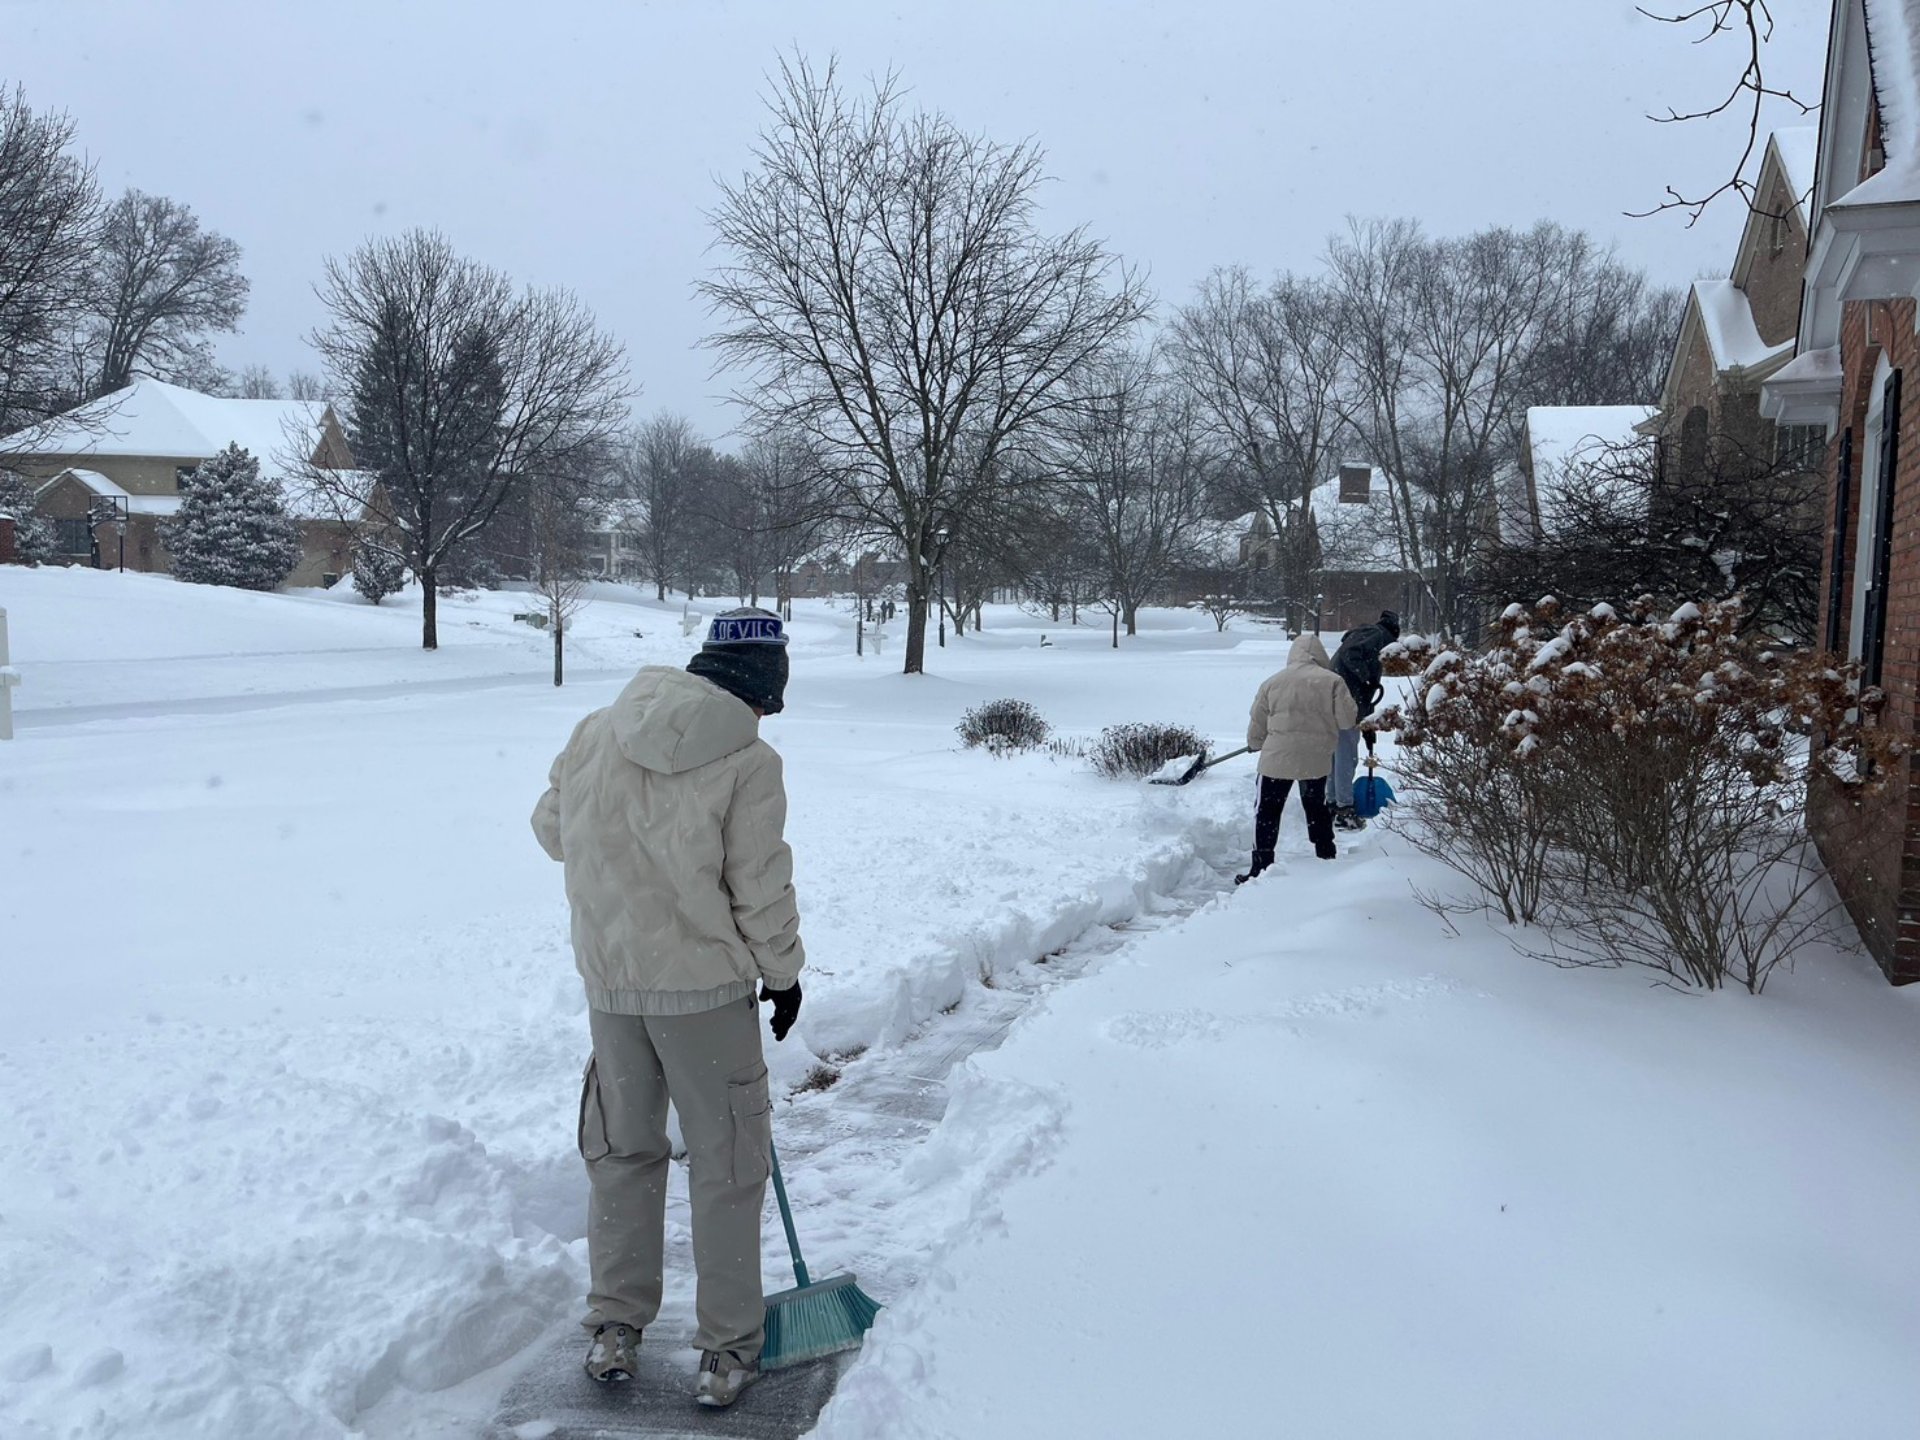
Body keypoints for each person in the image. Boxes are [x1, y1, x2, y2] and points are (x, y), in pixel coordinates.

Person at [531, 606, 805, 1410]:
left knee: (622, 1155)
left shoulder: (595, 729)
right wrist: (782, 974)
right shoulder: (750, 760)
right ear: (761, 686)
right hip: (705, 997)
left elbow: (553, 831)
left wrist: (623, 835)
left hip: (613, 991)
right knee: (726, 1168)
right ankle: (726, 1349)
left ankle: (616, 1326)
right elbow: (759, 883)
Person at [1240, 633, 1358, 881]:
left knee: (1267, 811)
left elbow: (1257, 720)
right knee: (1316, 808)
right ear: (1320, 655)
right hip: (1315, 758)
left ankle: (1260, 866)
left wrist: (1255, 743)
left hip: (1276, 759)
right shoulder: (1333, 682)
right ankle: (1326, 856)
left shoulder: (1273, 682)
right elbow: (1347, 720)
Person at [1329, 609, 1401, 831]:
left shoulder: (1366, 635)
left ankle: (1332, 803)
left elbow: (1365, 690)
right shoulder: (1378, 636)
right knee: (1345, 755)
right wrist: (1367, 678)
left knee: (1337, 754)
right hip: (1345, 703)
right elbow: (1353, 656)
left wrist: (1368, 722)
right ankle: (1343, 809)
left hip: (1340, 699)